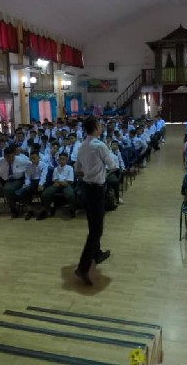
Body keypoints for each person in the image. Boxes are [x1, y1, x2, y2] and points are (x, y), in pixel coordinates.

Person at [74, 116, 118, 285]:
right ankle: (82, 267)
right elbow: (113, 165)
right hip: (97, 190)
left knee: (92, 224)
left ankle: (97, 253)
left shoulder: (81, 146)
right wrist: (101, 173)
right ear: (95, 128)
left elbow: (78, 170)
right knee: (96, 230)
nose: (101, 127)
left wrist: (89, 173)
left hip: (86, 188)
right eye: (99, 125)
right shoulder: (99, 146)